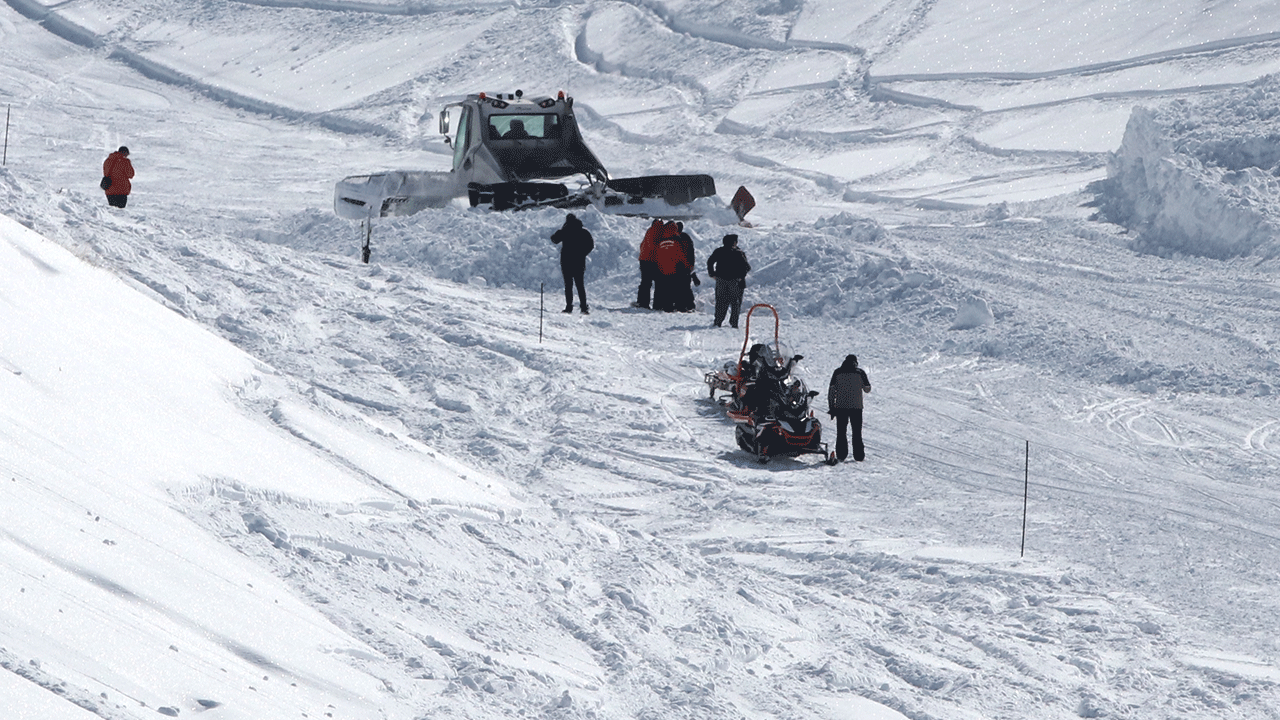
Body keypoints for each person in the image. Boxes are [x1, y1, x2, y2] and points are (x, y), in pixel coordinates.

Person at [827, 354, 872, 462]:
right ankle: (859, 456)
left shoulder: (837, 372)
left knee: (841, 432)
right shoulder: (860, 372)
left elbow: (831, 391)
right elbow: (867, 389)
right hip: (856, 408)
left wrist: (832, 407)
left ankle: (841, 455)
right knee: (856, 432)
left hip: (841, 407)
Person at [551, 213, 594, 314]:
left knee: (568, 285)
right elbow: (591, 245)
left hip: (566, 262)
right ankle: (584, 307)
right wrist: (583, 253)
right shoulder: (583, 232)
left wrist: (560, 230)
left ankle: (569, 307)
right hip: (579, 262)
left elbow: (554, 239)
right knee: (580, 285)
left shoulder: (565, 231)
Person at [706, 234, 750, 328]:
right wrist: (741, 277)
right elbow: (746, 267)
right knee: (735, 303)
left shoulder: (719, 251)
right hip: (735, 282)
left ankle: (718, 321)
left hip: (721, 280)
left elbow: (710, 261)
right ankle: (734, 323)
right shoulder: (739, 253)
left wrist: (712, 273)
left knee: (721, 301)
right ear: (734, 242)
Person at [653, 221, 685, 312]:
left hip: (661, 268)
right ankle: (669, 307)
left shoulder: (660, 240)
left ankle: (660, 305)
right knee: (672, 288)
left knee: (662, 288)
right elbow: (680, 255)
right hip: (673, 268)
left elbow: (657, 254)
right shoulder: (676, 240)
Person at [633, 218, 662, 309]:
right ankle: (657, 304)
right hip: (652, 261)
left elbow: (642, 245)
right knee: (658, 283)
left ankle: (642, 302)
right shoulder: (658, 232)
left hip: (643, 260)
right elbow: (657, 247)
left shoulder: (649, 231)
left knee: (645, 283)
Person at [675, 222, 699, 312]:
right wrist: (691, 266)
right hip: (687, 266)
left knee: (678, 287)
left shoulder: (675, 238)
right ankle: (690, 305)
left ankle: (680, 305)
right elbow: (691, 253)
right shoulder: (686, 237)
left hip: (677, 266)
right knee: (686, 287)